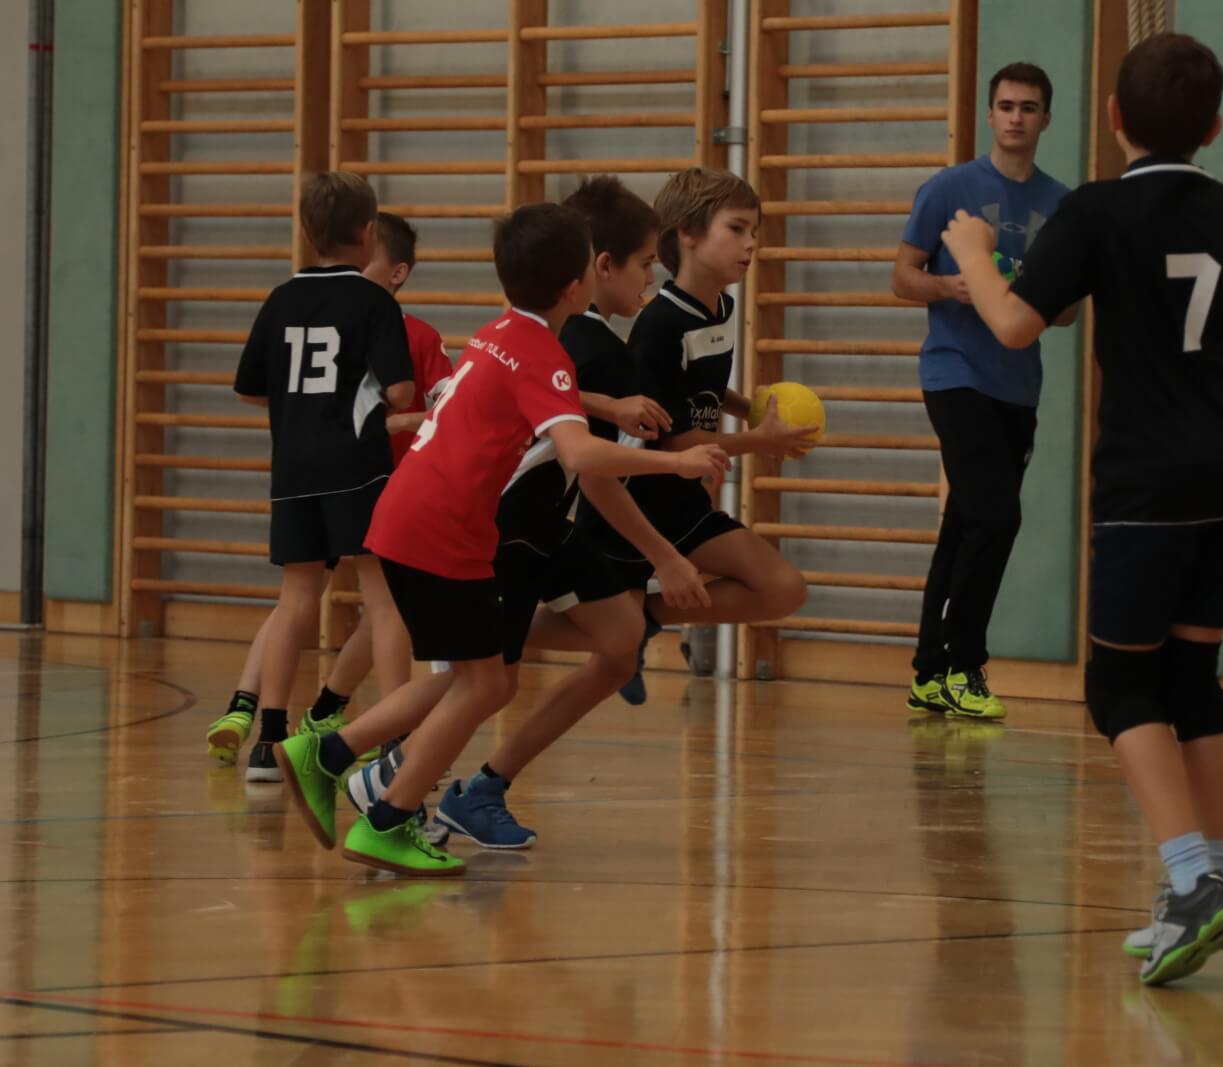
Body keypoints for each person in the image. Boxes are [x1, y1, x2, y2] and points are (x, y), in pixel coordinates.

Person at [941, 33, 1223, 985]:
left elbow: (1013, 322)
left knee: (1118, 688)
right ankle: (1208, 888)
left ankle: (1193, 881)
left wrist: (975, 253)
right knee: (1193, 680)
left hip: (1151, 486)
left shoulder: (1094, 210)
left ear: (1112, 118)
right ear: (1216, 127)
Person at [273, 202, 729, 875]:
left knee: (482, 679)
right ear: (576, 285)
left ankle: (333, 758)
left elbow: (528, 396)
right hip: (443, 530)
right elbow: (580, 454)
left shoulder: (499, 333)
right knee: (486, 684)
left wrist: (603, 405)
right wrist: (678, 462)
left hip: (410, 516)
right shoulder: (547, 354)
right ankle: (384, 817)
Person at [206, 211, 454, 776]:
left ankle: (272, 732)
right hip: (361, 473)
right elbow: (400, 393)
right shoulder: (372, 309)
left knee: (300, 598)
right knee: (382, 601)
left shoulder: (293, 301)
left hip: (302, 470)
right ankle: (390, 738)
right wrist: (384, 417)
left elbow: (440, 403)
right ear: (361, 241)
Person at [583, 167, 814, 701]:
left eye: (754, 231)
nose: (751, 244)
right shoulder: (659, 326)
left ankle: (646, 618)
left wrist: (750, 409)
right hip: (640, 504)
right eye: (736, 229)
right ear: (687, 233)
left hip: (684, 499)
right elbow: (672, 441)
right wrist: (759, 442)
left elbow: (699, 389)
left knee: (784, 589)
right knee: (601, 654)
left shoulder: (721, 307)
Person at [893, 62, 1073, 722]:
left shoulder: (1060, 202)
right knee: (997, 517)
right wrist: (951, 285)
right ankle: (965, 664)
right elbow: (902, 276)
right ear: (990, 114)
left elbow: (1068, 312)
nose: (1016, 117)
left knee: (967, 521)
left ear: (1046, 118)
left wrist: (1031, 297)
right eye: (1006, 105)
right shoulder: (950, 188)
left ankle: (929, 671)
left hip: (1017, 385)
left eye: (1029, 107)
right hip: (955, 374)